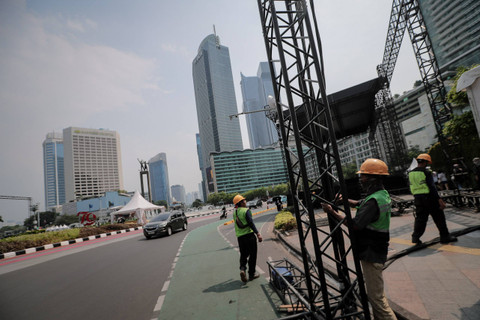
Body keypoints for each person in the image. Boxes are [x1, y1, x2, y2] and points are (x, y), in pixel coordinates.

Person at [322, 158, 397, 320]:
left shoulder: (374, 200)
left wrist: (332, 212)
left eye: (363, 176)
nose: (361, 180)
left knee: (376, 299)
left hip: (372, 252)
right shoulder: (381, 195)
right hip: (376, 249)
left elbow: (355, 225)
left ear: (373, 178)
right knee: (376, 295)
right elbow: (361, 204)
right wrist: (345, 201)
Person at [409, 153, 457, 244]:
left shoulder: (411, 173)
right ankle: (445, 237)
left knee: (420, 219)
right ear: (425, 162)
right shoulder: (426, 172)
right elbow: (432, 187)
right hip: (429, 198)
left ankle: (415, 237)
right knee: (439, 217)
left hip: (418, 199)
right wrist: (439, 200)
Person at [232, 194, 263, 283]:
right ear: (240, 203)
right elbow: (251, 223)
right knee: (253, 255)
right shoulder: (246, 211)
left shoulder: (235, 212)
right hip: (249, 236)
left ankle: (242, 269)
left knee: (243, 255)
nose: (245, 202)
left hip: (240, 238)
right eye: (244, 200)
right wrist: (258, 233)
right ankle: (251, 274)